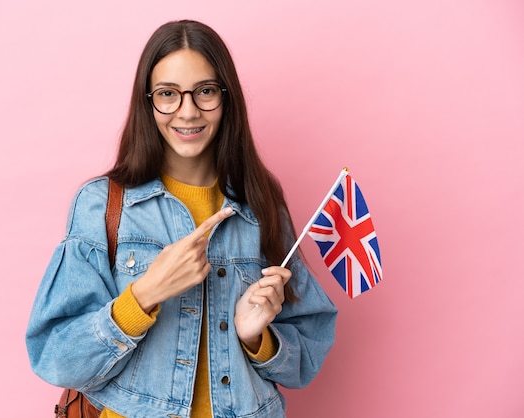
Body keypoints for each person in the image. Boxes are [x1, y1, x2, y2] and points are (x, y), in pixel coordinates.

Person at [26, 19, 337, 418]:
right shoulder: (102, 205)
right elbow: (55, 357)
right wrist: (143, 295)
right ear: (148, 101)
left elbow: (306, 357)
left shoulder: (262, 205)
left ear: (227, 98)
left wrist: (258, 338)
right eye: (168, 94)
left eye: (205, 91)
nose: (188, 112)